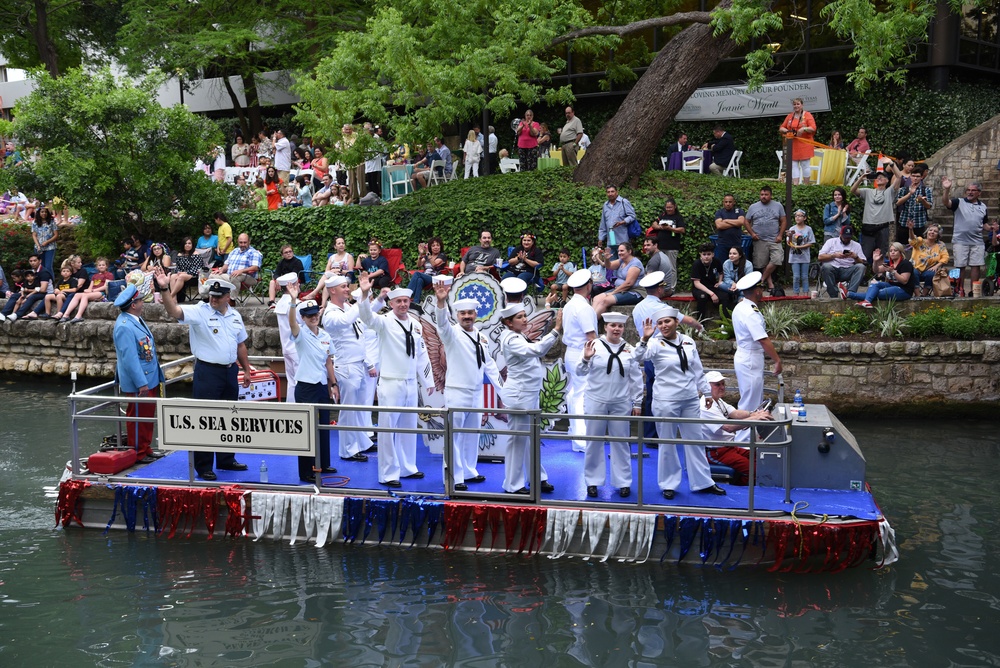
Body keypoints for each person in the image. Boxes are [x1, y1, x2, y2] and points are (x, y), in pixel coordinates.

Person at [157, 271, 253, 481]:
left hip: (230, 371)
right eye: (212, 295)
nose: (213, 298)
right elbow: (174, 311)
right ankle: (204, 466)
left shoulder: (235, 315)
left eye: (218, 296)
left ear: (229, 296)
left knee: (230, 417)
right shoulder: (200, 311)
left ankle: (227, 458)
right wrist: (165, 288)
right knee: (206, 419)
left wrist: (246, 369)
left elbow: (241, 345)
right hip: (208, 372)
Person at [637, 307, 724, 500]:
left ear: (676, 322)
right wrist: (644, 339)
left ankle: (703, 482)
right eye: (660, 323)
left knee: (695, 441)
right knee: (667, 443)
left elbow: (697, 369)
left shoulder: (688, 341)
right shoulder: (654, 343)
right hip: (666, 400)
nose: (663, 326)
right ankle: (668, 484)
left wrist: (707, 392)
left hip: (690, 398)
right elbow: (638, 357)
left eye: (667, 321)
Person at [357, 273, 434, 487]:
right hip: (391, 382)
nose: (402, 304)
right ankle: (388, 473)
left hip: (410, 383)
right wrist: (364, 294)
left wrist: (427, 381)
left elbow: (422, 354)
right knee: (388, 429)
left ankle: (407, 467)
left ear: (409, 302)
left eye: (405, 301)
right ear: (391, 303)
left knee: (409, 428)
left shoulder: (415, 325)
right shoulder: (384, 322)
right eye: (398, 301)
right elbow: (366, 318)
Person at [432, 284, 503, 490]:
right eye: (462, 313)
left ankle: (469, 470)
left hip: (476, 392)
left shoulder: (480, 335)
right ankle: (455, 476)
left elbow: (488, 363)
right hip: (457, 392)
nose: (466, 316)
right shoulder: (452, 334)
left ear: (475, 314)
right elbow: (442, 325)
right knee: (454, 436)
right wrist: (441, 302)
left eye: (470, 313)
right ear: (457, 315)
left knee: (472, 434)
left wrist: (503, 392)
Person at [498, 302, 561, 494]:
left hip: (529, 394)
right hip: (519, 397)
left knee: (531, 439)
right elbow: (537, 350)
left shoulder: (518, 336)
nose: (525, 319)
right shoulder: (511, 339)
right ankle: (513, 485)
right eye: (520, 317)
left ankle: (536, 477)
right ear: (509, 322)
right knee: (518, 441)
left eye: (525, 315)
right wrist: (556, 330)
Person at [578, 312, 643, 498]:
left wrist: (637, 401)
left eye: (620, 326)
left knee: (621, 442)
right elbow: (579, 372)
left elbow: (636, 378)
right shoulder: (594, 346)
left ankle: (623, 482)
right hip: (595, 399)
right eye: (612, 325)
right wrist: (586, 358)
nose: (616, 329)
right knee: (593, 441)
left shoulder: (629, 349)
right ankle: (592, 481)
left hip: (620, 401)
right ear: (605, 327)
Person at [283, 284, 339, 482]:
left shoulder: (325, 336)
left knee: (323, 425)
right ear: (304, 318)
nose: (313, 317)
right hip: (306, 387)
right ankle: (306, 470)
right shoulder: (300, 334)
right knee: (307, 431)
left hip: (322, 385)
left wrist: (334, 384)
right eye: (309, 316)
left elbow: (328, 361)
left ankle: (323, 463)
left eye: (315, 314)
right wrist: (292, 301)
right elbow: (291, 324)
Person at [321, 275, 377, 462]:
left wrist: (374, 297)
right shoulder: (331, 313)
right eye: (344, 287)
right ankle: (347, 450)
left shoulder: (347, 307)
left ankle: (361, 442)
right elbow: (346, 321)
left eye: (347, 286)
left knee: (358, 408)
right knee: (348, 410)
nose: (347, 289)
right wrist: (361, 294)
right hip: (346, 366)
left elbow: (364, 314)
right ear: (333, 290)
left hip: (358, 363)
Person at [112, 283, 166, 464]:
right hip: (140, 381)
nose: (143, 302)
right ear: (133, 304)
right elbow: (129, 359)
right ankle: (138, 452)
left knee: (146, 415)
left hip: (149, 376)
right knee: (137, 417)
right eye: (141, 300)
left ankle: (145, 446)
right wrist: (141, 382)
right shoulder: (124, 326)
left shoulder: (135, 319)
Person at [700, 371, 774, 485]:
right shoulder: (706, 406)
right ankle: (740, 489)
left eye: (723, 384)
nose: (722, 387)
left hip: (729, 447)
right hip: (715, 451)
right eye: (717, 384)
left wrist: (753, 414)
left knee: (758, 457)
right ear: (706, 387)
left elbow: (735, 413)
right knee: (753, 471)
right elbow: (729, 427)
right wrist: (756, 418)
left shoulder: (718, 401)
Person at [731, 271, 783, 413]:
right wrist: (777, 360)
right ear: (757, 291)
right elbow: (763, 339)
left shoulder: (741, 306)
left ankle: (751, 434)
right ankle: (745, 435)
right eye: (761, 288)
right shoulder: (750, 312)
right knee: (750, 403)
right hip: (750, 358)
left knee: (752, 399)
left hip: (747, 356)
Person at [561, 268, 599, 452]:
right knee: (581, 394)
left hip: (572, 352)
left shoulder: (570, 305)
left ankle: (576, 436)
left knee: (574, 393)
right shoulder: (583, 307)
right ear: (588, 286)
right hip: (583, 352)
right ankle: (582, 439)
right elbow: (591, 336)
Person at [942, 178, 989, 296]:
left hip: (977, 241)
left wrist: (991, 228)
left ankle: (974, 291)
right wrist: (946, 189)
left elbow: (984, 224)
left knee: (975, 265)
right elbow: (946, 202)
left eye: (973, 190)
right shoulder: (959, 202)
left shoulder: (983, 206)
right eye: (968, 190)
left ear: (979, 193)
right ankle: (959, 289)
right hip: (960, 240)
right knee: (960, 266)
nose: (970, 192)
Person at [852, 160, 903, 266]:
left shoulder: (890, 192)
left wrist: (891, 164)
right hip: (868, 227)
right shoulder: (868, 191)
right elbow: (853, 190)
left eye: (882, 177)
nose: (879, 178)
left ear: (887, 180)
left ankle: (879, 276)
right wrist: (861, 178)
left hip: (882, 227)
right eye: (877, 177)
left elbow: (899, 177)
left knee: (881, 254)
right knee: (864, 254)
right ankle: (863, 277)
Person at [744, 186, 787, 294]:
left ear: (770, 195)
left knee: (777, 259)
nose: (763, 196)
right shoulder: (753, 207)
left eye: (766, 194)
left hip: (774, 239)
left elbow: (784, 221)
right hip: (759, 240)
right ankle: (770, 285)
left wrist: (780, 235)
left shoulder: (778, 206)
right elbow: (746, 221)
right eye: (762, 194)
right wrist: (752, 234)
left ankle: (762, 280)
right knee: (761, 263)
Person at [848, 243, 916, 307]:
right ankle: (866, 301)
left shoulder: (906, 264)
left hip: (903, 290)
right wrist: (875, 261)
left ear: (900, 252)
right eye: (891, 251)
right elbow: (876, 270)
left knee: (877, 293)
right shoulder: (890, 263)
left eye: (895, 250)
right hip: (891, 286)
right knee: (875, 284)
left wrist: (893, 271)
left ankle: (850, 295)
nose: (892, 252)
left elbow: (904, 281)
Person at [592, 242, 645, 317]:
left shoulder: (635, 264)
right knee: (597, 298)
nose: (619, 253)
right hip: (620, 289)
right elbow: (609, 266)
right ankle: (591, 320)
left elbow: (628, 284)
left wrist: (613, 292)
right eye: (618, 251)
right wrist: (606, 259)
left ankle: (592, 323)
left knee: (605, 301)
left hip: (634, 292)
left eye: (622, 251)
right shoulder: (622, 260)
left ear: (629, 251)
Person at [818, 224, 867, 299]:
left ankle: (850, 294)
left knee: (861, 267)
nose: (847, 239)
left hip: (848, 270)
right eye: (845, 237)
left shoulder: (856, 245)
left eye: (849, 238)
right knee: (826, 267)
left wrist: (855, 257)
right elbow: (820, 257)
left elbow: (864, 262)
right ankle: (833, 295)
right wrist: (834, 256)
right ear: (840, 234)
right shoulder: (831, 242)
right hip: (833, 269)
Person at [0, 254, 52, 321]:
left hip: (45, 293)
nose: (32, 263)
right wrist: (22, 292)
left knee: (32, 297)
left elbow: (43, 289)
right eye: (30, 261)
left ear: (40, 261)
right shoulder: (32, 271)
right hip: (33, 290)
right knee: (15, 295)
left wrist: (28, 291)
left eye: (35, 261)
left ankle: (17, 314)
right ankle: (3, 313)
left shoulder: (44, 272)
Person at [778, 98, 817, 185]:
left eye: (798, 104)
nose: (796, 106)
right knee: (793, 165)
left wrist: (804, 129)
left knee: (805, 165)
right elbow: (781, 127)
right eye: (794, 104)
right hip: (793, 144)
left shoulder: (807, 115)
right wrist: (787, 131)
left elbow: (813, 128)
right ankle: (796, 185)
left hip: (805, 144)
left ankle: (806, 185)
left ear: (802, 105)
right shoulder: (789, 116)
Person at [63, 257, 113, 322]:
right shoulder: (94, 276)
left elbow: (105, 286)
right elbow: (90, 286)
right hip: (92, 292)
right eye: (99, 265)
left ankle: (78, 316)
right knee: (77, 295)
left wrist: (93, 291)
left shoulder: (109, 274)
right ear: (97, 267)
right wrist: (88, 290)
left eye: (103, 265)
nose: (101, 266)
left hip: (101, 292)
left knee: (85, 296)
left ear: (106, 266)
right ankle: (66, 315)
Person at [690, 241, 730, 320]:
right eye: (704, 254)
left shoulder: (716, 261)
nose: (706, 257)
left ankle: (725, 324)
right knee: (702, 297)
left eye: (708, 254)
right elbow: (697, 283)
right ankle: (700, 324)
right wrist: (711, 294)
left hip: (712, 286)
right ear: (700, 254)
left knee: (725, 296)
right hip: (700, 289)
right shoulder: (697, 264)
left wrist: (719, 281)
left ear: (713, 254)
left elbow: (721, 273)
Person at [309, 237, 356, 304]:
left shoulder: (348, 257)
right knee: (328, 283)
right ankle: (323, 304)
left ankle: (314, 292)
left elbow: (350, 272)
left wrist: (339, 270)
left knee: (328, 278)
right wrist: (334, 272)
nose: (341, 245)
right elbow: (327, 271)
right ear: (335, 246)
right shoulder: (332, 257)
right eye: (339, 243)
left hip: (345, 277)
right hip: (333, 276)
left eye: (343, 243)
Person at [651, 198, 685, 288]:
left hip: (672, 246)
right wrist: (661, 227)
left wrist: (671, 229)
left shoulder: (678, 217)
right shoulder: (662, 215)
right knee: (660, 267)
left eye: (670, 207)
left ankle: (671, 287)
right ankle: (660, 286)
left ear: (675, 206)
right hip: (660, 246)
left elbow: (682, 229)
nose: (669, 209)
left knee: (671, 268)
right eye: (667, 207)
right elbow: (654, 224)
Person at [909, 223, 950, 297]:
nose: (932, 232)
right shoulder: (920, 241)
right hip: (916, 268)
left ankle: (924, 295)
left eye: (935, 231)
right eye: (930, 230)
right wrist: (911, 229)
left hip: (928, 270)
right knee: (913, 272)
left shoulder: (940, 245)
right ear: (927, 232)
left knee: (931, 273)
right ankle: (917, 295)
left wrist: (936, 266)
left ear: (938, 235)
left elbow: (945, 257)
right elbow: (912, 240)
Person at [895, 166, 932, 243]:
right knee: (903, 247)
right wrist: (909, 194)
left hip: (919, 223)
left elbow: (929, 206)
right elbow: (898, 203)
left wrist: (922, 201)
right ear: (910, 176)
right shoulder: (903, 189)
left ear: (921, 177)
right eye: (913, 176)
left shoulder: (926, 190)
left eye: (918, 176)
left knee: (919, 248)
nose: (915, 178)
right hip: (904, 222)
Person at [408, 237, 448, 307]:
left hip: (435, 279)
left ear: (440, 246)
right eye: (433, 246)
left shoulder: (442, 256)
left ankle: (406, 295)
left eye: (438, 245)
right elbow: (419, 265)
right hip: (425, 277)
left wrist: (427, 253)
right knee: (419, 280)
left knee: (417, 274)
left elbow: (434, 264)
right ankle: (415, 303)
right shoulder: (427, 256)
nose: (436, 247)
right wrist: (420, 255)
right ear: (430, 247)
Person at [597, 186, 636, 257]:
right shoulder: (605, 205)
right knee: (610, 262)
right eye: (608, 192)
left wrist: (622, 222)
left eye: (612, 191)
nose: (610, 194)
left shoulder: (624, 202)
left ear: (616, 192)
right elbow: (603, 223)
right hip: (610, 239)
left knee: (623, 262)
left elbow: (632, 216)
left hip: (622, 238)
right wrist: (601, 238)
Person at [786, 209, 816, 296]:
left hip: (805, 257)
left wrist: (800, 247)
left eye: (800, 216)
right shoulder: (792, 229)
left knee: (804, 276)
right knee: (796, 277)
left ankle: (806, 293)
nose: (797, 217)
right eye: (796, 216)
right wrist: (790, 236)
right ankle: (796, 294)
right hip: (794, 257)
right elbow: (789, 243)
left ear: (805, 218)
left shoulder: (808, 229)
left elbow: (811, 242)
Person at [713, 193, 746, 262]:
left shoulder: (739, 211)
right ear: (723, 202)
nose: (728, 204)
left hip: (736, 243)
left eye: (730, 202)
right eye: (726, 202)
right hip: (722, 244)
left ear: (734, 202)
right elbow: (719, 226)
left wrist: (726, 220)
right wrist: (735, 223)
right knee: (722, 265)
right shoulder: (719, 212)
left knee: (737, 264)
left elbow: (741, 222)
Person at [31, 207, 59, 277]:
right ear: (39, 213)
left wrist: (47, 242)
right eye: (42, 212)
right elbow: (34, 235)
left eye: (45, 212)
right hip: (39, 247)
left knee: (48, 266)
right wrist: (38, 245)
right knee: (40, 266)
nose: (44, 213)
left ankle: (51, 283)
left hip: (50, 247)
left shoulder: (51, 222)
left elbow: (56, 235)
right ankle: (42, 282)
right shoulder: (35, 222)